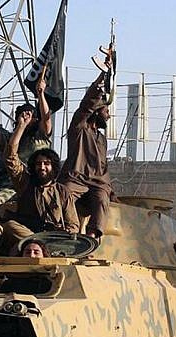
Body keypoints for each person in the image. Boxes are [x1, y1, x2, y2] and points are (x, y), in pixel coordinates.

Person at [1, 108, 79, 252]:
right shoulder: (25, 182)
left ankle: (44, 246)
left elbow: (73, 224)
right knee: (10, 226)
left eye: (46, 164)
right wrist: (21, 127)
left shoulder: (62, 192)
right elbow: (10, 157)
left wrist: (66, 232)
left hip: (54, 237)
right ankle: (40, 244)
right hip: (27, 236)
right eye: (38, 164)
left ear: (53, 167)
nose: (42, 167)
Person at [59, 56, 113, 238]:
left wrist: (109, 189)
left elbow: (103, 167)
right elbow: (86, 105)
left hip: (97, 182)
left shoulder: (101, 139)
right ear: (97, 111)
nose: (109, 115)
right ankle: (70, 232)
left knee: (102, 199)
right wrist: (102, 77)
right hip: (75, 178)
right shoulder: (79, 129)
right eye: (106, 111)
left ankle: (91, 238)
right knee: (62, 194)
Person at [0, 78, 53, 212]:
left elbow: (46, 118)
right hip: (16, 182)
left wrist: (41, 94)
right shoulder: (14, 136)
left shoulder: (40, 136)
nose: (29, 119)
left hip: (39, 180)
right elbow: (11, 151)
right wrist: (22, 126)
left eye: (32, 116)